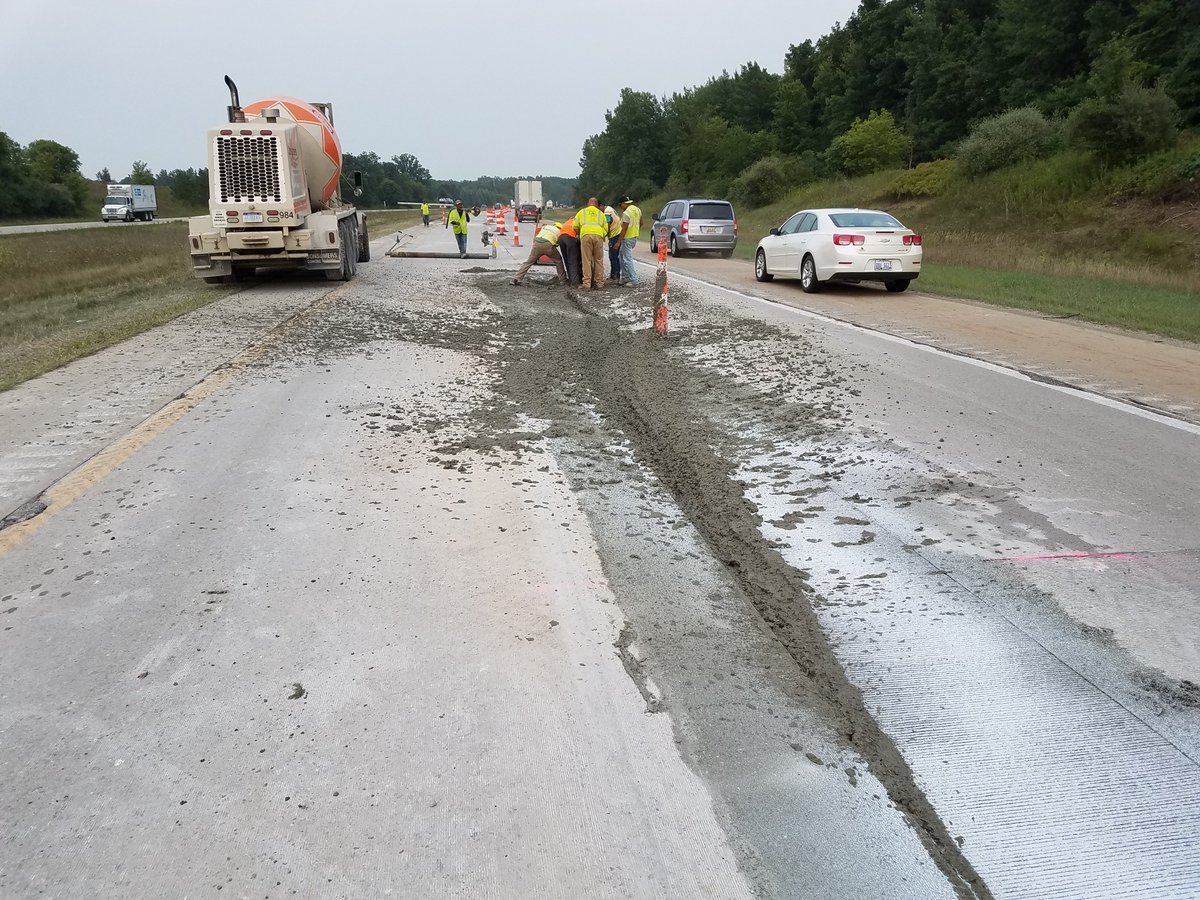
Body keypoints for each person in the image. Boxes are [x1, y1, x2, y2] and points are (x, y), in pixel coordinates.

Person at [573, 197, 608, 290]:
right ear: (596, 204)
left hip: (586, 236)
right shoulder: (601, 214)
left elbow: (575, 226)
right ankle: (599, 283)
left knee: (586, 260)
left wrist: (581, 234)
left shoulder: (582, 212)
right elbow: (606, 228)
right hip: (598, 236)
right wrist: (601, 235)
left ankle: (587, 283)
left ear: (588, 204)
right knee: (599, 260)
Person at [617, 196, 642, 286]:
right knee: (621, 256)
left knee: (627, 259)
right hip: (634, 237)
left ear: (624, 203)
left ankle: (633, 280)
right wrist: (636, 230)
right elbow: (641, 222)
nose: (620, 207)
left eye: (620, 205)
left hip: (627, 238)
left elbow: (624, 229)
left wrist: (618, 241)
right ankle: (625, 277)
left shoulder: (626, 213)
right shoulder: (637, 210)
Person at [557, 216, 582, 286]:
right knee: (573, 260)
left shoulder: (567, 222)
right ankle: (575, 282)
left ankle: (571, 279)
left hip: (561, 238)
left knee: (567, 260)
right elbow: (580, 235)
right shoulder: (578, 221)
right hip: (570, 238)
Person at [604, 205, 622, 282]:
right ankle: (616, 274)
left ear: (600, 205)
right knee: (616, 256)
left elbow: (607, 223)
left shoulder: (607, 212)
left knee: (613, 256)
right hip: (618, 233)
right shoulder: (610, 209)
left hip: (614, 235)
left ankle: (615, 275)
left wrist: (604, 234)